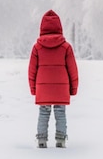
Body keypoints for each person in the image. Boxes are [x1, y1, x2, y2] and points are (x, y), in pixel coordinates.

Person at [28, 9, 79, 148]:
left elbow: (32, 71)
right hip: (61, 88)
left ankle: (41, 141)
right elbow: (72, 70)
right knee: (60, 112)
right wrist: (73, 89)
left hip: (43, 88)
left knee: (43, 113)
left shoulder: (37, 47)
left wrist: (34, 89)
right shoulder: (66, 47)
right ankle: (61, 140)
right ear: (59, 27)